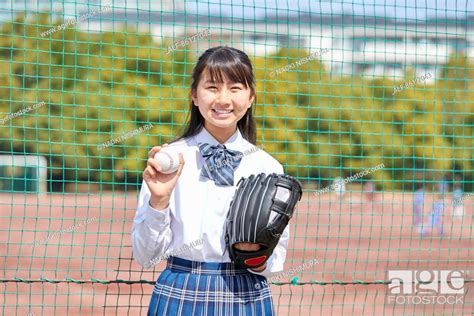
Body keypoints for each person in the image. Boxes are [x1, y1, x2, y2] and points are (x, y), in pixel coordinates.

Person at [131, 46, 289, 315]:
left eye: (235, 88)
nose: (223, 99)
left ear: (251, 97)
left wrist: (257, 257)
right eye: (212, 87)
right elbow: (146, 256)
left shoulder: (268, 167)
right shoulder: (168, 161)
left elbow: (276, 258)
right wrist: (158, 201)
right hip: (180, 288)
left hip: (247, 291)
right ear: (194, 95)